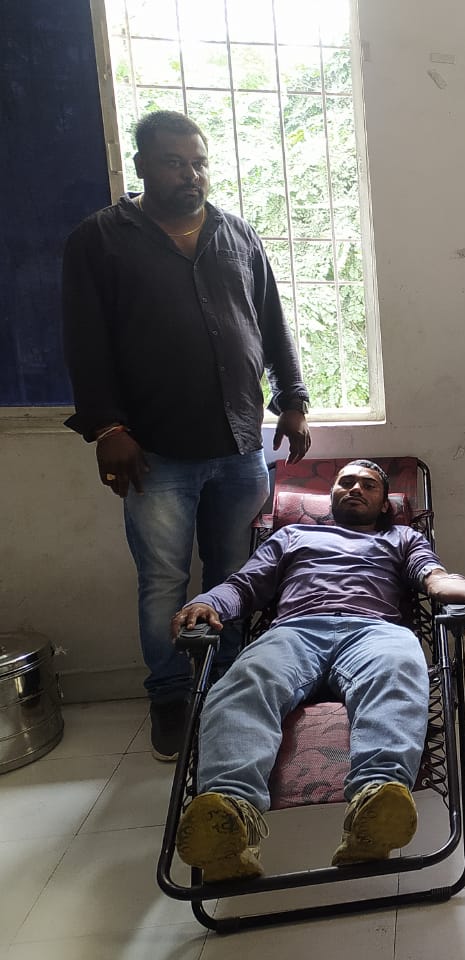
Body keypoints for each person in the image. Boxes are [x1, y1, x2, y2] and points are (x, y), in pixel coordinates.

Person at [62, 110, 311, 761]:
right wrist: (107, 427)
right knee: (163, 582)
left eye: (198, 162)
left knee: (233, 576)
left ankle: (226, 686)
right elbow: (85, 343)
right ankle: (171, 697)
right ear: (143, 165)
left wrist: (293, 400)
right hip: (155, 452)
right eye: (174, 163)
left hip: (239, 447)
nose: (190, 175)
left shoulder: (237, 234)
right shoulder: (100, 240)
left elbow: (272, 324)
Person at [168, 459, 465, 881]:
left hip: (374, 631)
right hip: (296, 630)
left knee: (400, 667)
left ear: (385, 504)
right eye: (346, 482)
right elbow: (245, 584)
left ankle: (375, 803)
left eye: (369, 485)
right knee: (244, 683)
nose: (355, 488)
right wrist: (207, 602)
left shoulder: (402, 537)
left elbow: (435, 580)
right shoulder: (292, 535)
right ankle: (228, 817)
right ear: (332, 496)